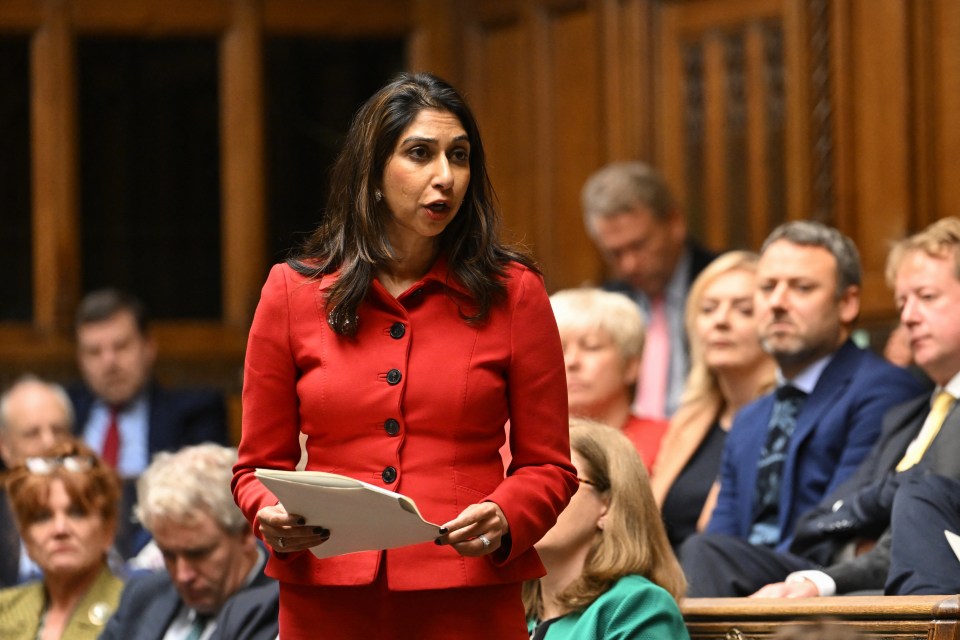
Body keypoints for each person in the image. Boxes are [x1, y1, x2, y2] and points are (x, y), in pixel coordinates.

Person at [232, 72, 577, 640]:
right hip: (327, 593)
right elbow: (253, 467)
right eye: (420, 154)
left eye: (459, 156)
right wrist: (267, 511)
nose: (445, 177)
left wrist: (507, 514)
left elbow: (550, 467)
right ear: (372, 174)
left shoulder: (514, 292)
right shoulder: (292, 293)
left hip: (466, 593)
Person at [680, 220, 924, 597]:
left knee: (702, 554)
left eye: (801, 287)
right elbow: (722, 531)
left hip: (827, 580)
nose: (777, 302)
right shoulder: (749, 417)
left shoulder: (882, 388)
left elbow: (837, 522)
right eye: (767, 287)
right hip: (741, 580)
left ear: (847, 303)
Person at [748, 216, 960, 598]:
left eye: (926, 297)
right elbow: (819, 519)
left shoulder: (885, 390)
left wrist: (885, 501)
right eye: (902, 301)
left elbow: (927, 517)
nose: (908, 317)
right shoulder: (907, 416)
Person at [651, 251, 776, 550]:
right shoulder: (690, 417)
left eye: (744, 310)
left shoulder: (784, 415)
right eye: (707, 309)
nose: (720, 321)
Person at [524, 418, 689, 639]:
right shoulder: (512, 612)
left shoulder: (636, 606)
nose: (535, 497)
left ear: (608, 506)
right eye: (525, 482)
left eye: (558, 483)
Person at [581, 161, 716, 418]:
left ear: (675, 223)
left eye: (639, 246)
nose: (629, 265)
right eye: (614, 253)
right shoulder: (608, 301)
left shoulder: (719, 284)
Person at [100, 444, 276, 640]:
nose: (183, 576)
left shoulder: (282, 610)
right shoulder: (142, 597)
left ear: (245, 534)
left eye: (198, 554)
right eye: (168, 555)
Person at [68, 288, 228, 479]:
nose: (109, 363)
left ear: (149, 347)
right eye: (94, 352)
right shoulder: (63, 413)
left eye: (121, 346)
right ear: (80, 359)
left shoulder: (194, 415)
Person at [0, 439, 123, 639]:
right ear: (25, 537)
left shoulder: (134, 610)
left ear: (108, 529)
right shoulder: (4, 610)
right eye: (42, 517)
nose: (60, 529)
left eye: (76, 513)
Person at [549, 288, 667, 469]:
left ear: (631, 365)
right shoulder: (516, 444)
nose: (571, 361)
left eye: (591, 346)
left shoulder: (669, 443)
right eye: (558, 348)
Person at [0, 376, 75, 587]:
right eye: (32, 433)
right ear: (4, 446)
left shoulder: (102, 507)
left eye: (58, 430)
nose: (49, 443)